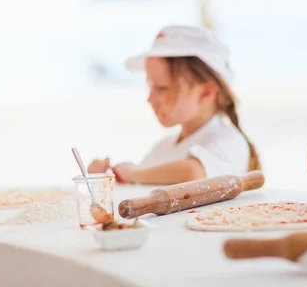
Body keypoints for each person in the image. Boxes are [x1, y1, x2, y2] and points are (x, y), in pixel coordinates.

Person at [88, 25, 260, 184]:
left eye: (162, 88)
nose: (150, 98)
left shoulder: (228, 141)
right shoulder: (163, 148)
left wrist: (133, 173)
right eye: (150, 86)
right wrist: (107, 177)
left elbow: (194, 173)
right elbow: (141, 183)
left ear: (206, 92)